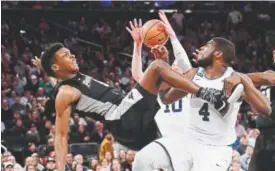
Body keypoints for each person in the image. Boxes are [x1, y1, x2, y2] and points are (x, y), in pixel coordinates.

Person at [37, 25, 229, 170]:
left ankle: (212, 90)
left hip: (133, 123)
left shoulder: (70, 79)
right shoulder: (66, 92)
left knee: (185, 75)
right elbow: (61, 136)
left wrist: (165, 61)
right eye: (66, 55)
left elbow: (160, 87)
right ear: (56, 67)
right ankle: (208, 94)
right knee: (156, 68)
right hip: (122, 119)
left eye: (70, 53)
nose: (73, 56)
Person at [132, 12, 271, 171]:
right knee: (143, 160)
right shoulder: (193, 74)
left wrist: (245, 82)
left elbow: (265, 109)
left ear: (218, 54)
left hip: (215, 150)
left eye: (207, 47)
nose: (201, 49)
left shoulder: (234, 79)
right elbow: (165, 98)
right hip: (188, 139)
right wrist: (164, 62)